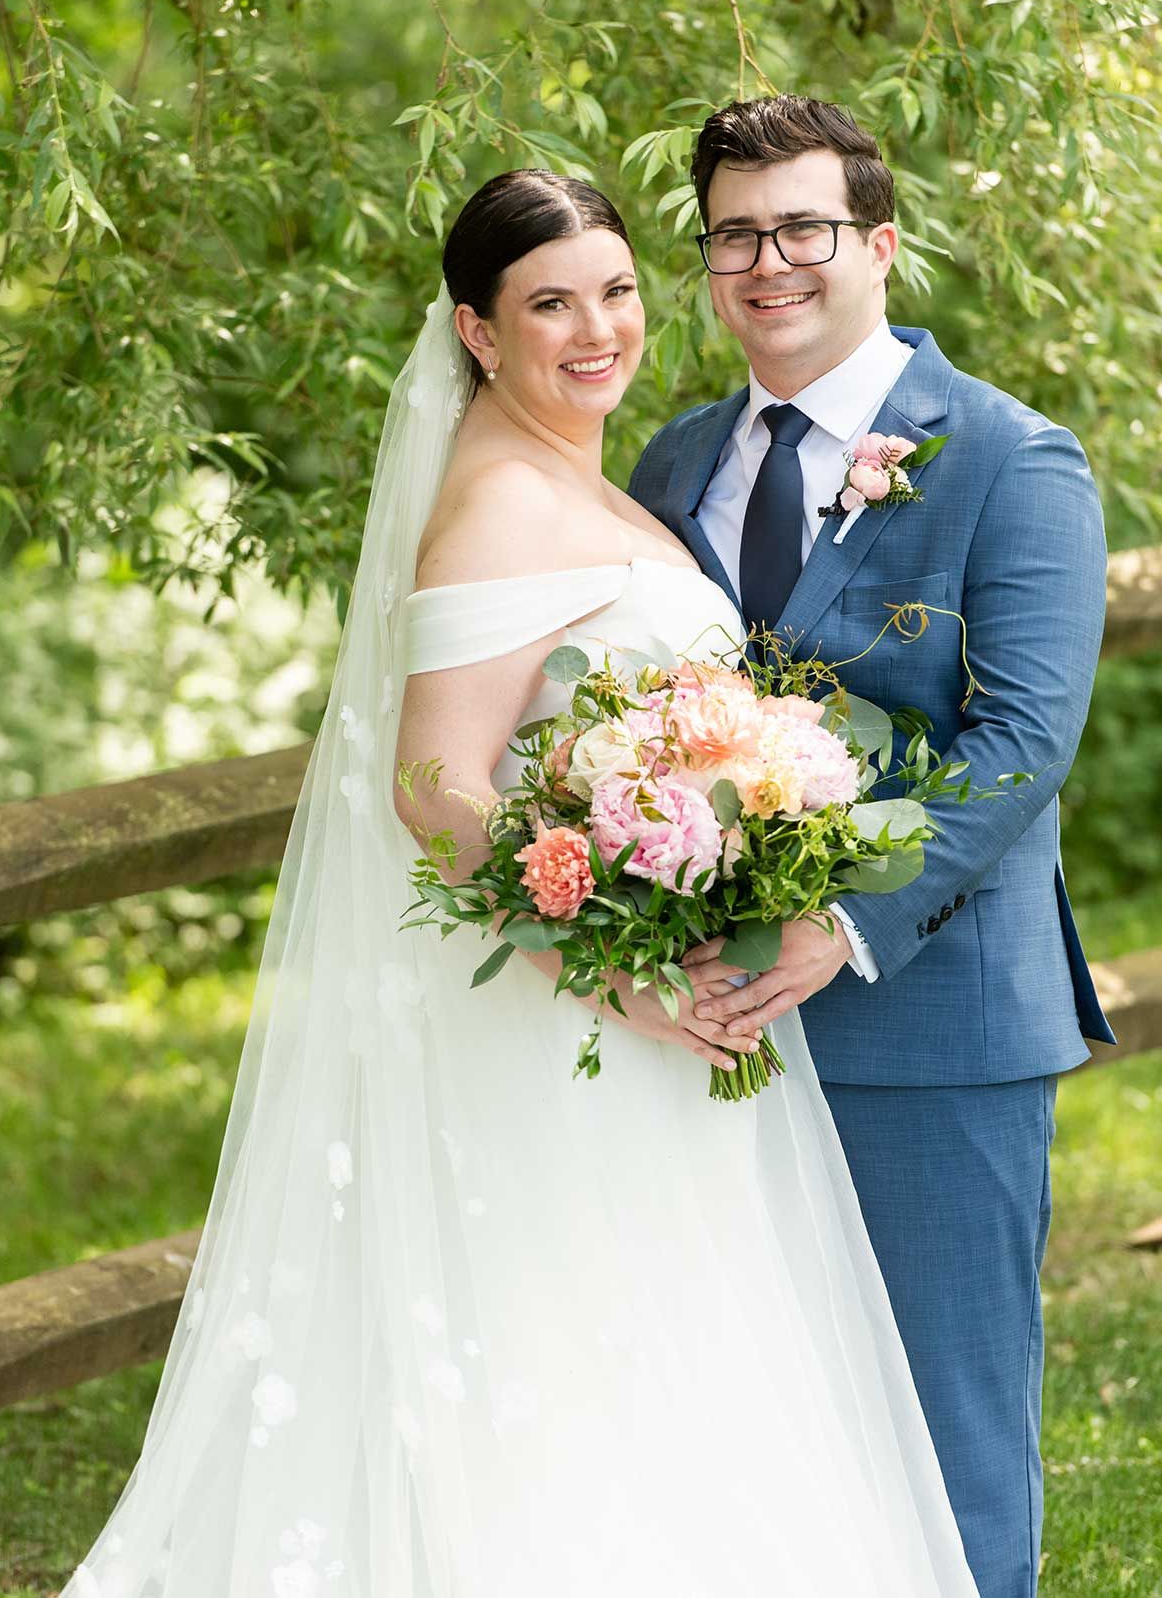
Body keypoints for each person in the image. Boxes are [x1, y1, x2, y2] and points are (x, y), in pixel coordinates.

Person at [61, 167, 980, 1596]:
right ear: (478, 332)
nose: (597, 329)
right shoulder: (500, 500)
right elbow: (435, 786)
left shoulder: (588, 480)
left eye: (616, 290)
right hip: (571, 1028)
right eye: (551, 304)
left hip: (658, 1009)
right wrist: (624, 974)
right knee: (569, 1379)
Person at [628, 95, 1113, 1598]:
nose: (767, 262)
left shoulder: (1012, 458)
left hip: (931, 1019)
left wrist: (834, 923)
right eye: (733, 235)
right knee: (742, 1420)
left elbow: (1020, 742)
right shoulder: (673, 462)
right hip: (707, 1022)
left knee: (942, 1429)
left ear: (880, 244)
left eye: (803, 228)